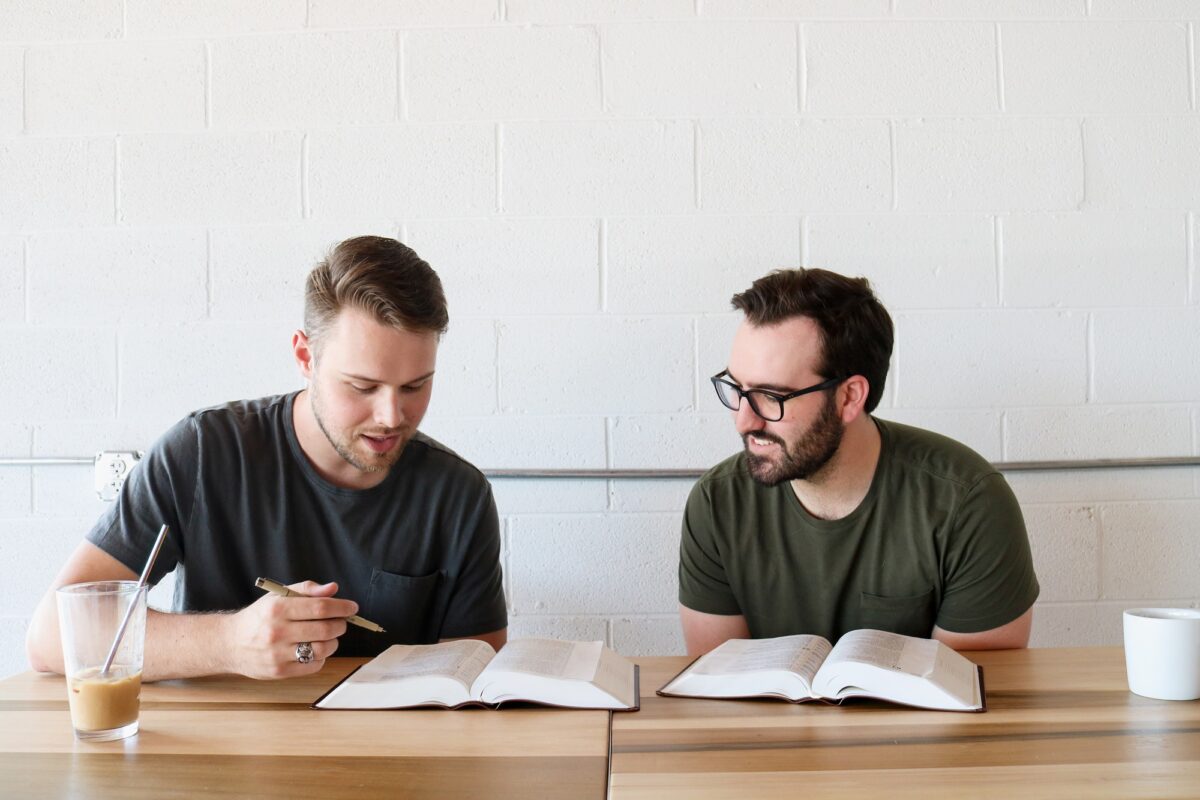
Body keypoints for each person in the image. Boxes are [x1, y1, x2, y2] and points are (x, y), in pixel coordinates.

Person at [27, 236, 507, 680]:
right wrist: (231, 642)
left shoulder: (458, 495)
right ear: (305, 356)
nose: (391, 416)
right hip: (215, 759)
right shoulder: (200, 454)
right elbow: (52, 637)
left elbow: (474, 682)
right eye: (363, 386)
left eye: (415, 386)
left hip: (391, 764)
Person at [679, 268, 1039, 656]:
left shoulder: (968, 503)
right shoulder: (717, 503)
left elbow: (975, 692)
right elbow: (715, 694)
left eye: (771, 396)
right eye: (736, 388)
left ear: (850, 397)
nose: (744, 420)